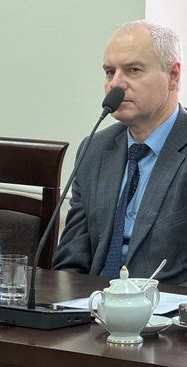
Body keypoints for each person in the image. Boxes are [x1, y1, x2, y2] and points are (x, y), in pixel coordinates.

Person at [53, 20, 187, 285]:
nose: (116, 84)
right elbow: (70, 262)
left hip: (168, 307)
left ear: (173, 75)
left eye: (133, 70)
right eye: (109, 72)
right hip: (93, 303)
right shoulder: (94, 149)